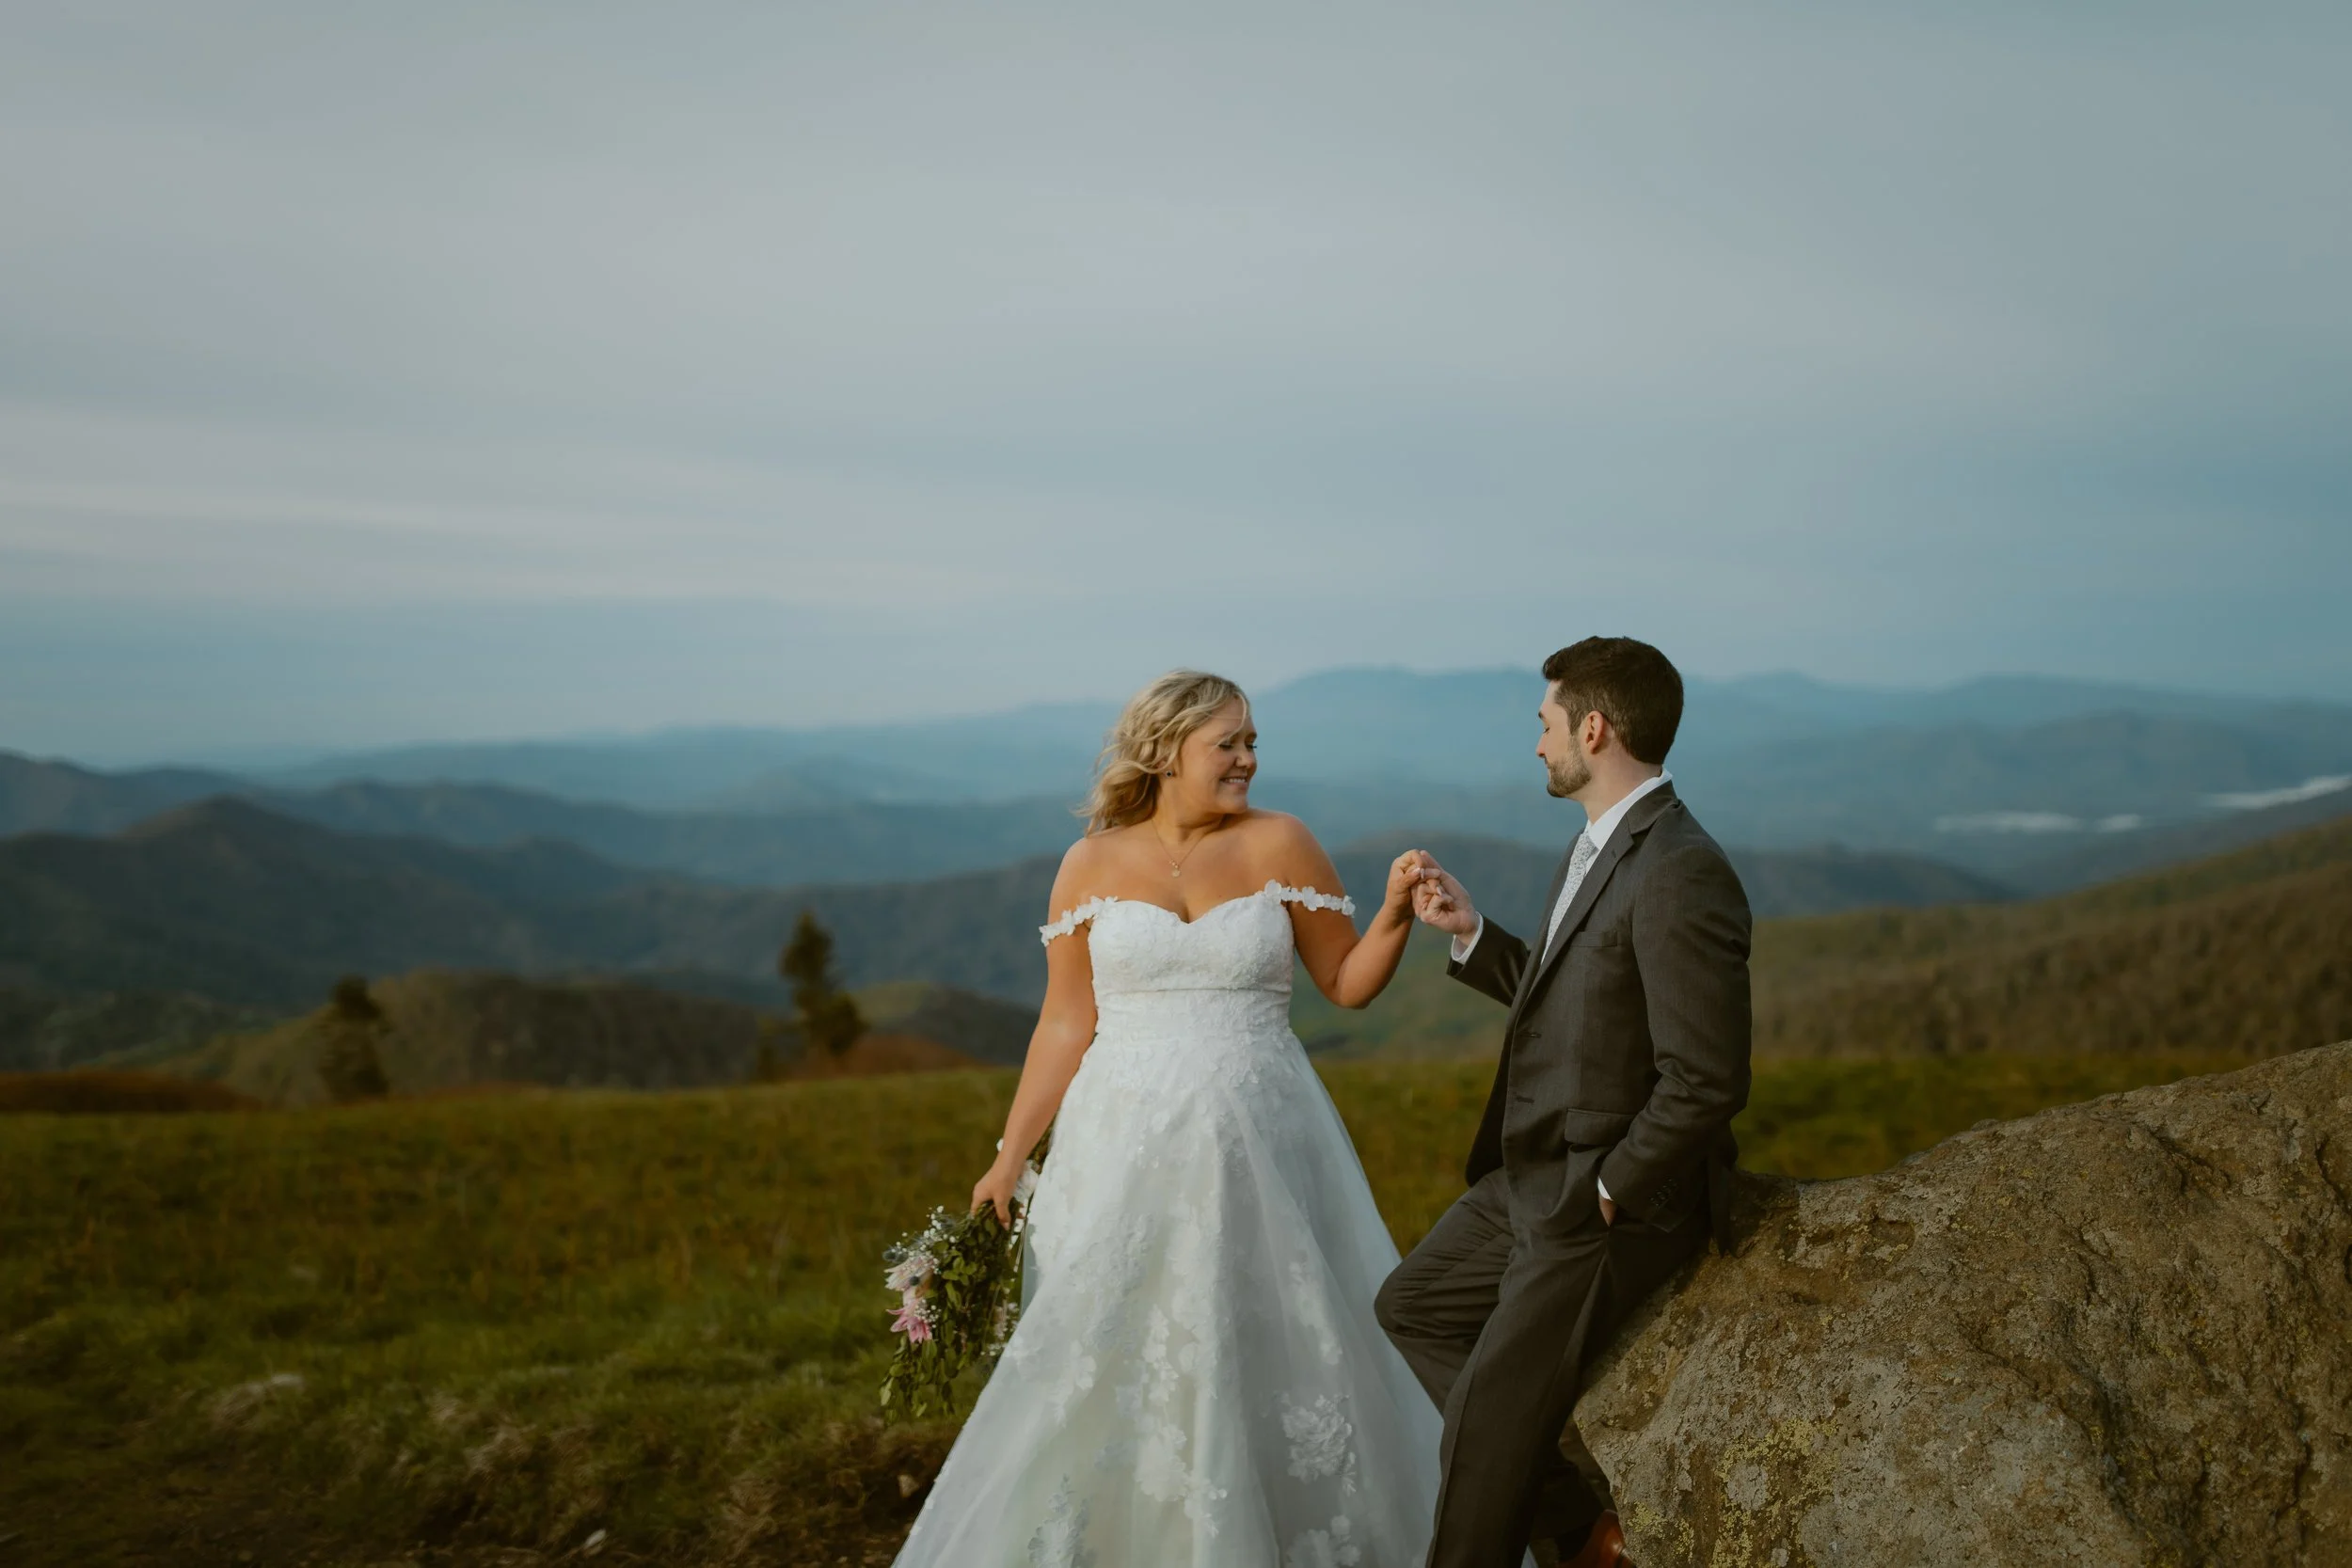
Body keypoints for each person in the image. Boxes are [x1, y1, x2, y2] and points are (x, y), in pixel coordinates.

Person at [895, 669, 1445, 1567]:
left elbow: (1345, 983)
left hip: (1264, 1149)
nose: (1249, 760)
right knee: (1107, 1355)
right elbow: (1066, 1021)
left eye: (1253, 741)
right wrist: (1008, 1156)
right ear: (1163, 750)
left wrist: (1390, 915)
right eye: (1228, 743)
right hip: (1119, 1151)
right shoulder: (1090, 863)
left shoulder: (1284, 841)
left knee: (1272, 1353)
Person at [1380, 637, 1754, 1568]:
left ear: (1594, 727)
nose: (1537, 742)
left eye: (1545, 723)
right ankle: (1583, 1516)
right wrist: (1473, 937)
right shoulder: (1600, 840)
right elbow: (1582, 1008)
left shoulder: (1677, 867)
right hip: (1533, 1177)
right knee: (1412, 1303)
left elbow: (1705, 1076)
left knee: (1484, 1430)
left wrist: (1609, 1188)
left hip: (1599, 1203)